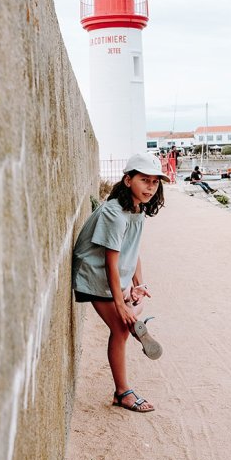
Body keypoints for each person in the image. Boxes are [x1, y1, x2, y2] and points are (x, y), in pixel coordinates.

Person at [72, 152, 168, 413]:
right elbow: (110, 260)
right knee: (121, 328)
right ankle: (122, 392)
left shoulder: (137, 207)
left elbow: (132, 249)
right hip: (94, 275)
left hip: (114, 275)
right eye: (144, 180)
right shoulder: (114, 213)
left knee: (136, 307)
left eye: (155, 182)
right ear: (128, 180)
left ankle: (135, 322)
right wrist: (120, 302)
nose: (150, 187)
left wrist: (139, 283)